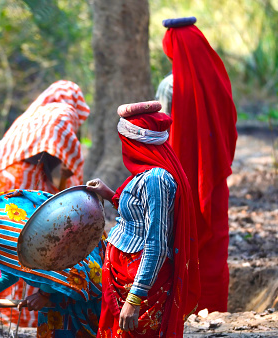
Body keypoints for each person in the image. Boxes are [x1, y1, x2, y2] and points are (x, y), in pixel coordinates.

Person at [0, 80, 91, 326]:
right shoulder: (63, 113)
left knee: (1, 240)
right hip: (22, 180)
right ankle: (25, 315)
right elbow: (69, 161)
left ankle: (0, 315)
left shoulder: (32, 115)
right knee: (34, 242)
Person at [87, 101, 200, 337]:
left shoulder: (156, 179)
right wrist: (108, 194)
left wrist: (135, 298)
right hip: (123, 275)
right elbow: (140, 216)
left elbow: (156, 243)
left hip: (139, 283)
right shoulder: (147, 174)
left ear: (134, 142)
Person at [0, 186, 105, 337]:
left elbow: (60, 254)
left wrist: (43, 294)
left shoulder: (2, 228)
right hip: (59, 291)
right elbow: (8, 272)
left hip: (72, 289)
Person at [155, 17, 238, 312]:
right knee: (214, 238)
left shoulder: (169, 85)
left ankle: (183, 306)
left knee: (181, 236)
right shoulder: (218, 77)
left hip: (180, 172)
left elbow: (160, 131)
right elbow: (229, 120)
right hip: (212, 174)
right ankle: (214, 305)